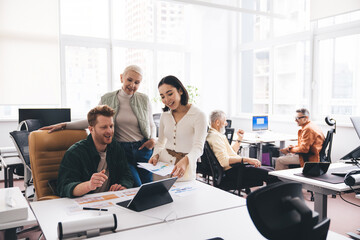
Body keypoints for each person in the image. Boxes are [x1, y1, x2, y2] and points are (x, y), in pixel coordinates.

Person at [41, 65, 156, 187]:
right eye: (129, 80)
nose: (132, 85)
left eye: (137, 82)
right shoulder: (107, 98)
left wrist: (153, 139)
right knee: (136, 186)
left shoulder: (144, 99)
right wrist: (65, 125)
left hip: (143, 149)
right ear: (122, 78)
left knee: (149, 187)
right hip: (122, 150)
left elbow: (151, 124)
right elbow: (94, 121)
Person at [57, 105, 134, 198]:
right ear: (91, 129)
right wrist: (89, 185)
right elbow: (64, 188)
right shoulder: (75, 153)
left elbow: (126, 174)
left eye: (111, 126)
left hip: (109, 200)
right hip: (84, 204)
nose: (110, 131)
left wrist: (123, 186)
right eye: (104, 127)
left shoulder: (115, 147)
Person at [149, 75, 207, 180]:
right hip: (162, 167)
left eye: (170, 94)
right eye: (162, 96)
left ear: (180, 90)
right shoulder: (165, 115)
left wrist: (185, 161)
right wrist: (155, 155)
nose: (166, 100)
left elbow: (198, 147)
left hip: (185, 168)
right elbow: (161, 142)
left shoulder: (198, 115)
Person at [206, 110, 277, 185]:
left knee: (271, 170)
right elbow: (224, 161)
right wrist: (247, 159)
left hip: (235, 168)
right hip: (234, 171)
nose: (226, 123)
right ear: (217, 122)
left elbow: (232, 152)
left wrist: (239, 138)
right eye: (225, 121)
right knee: (271, 174)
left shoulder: (216, 135)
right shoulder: (215, 137)